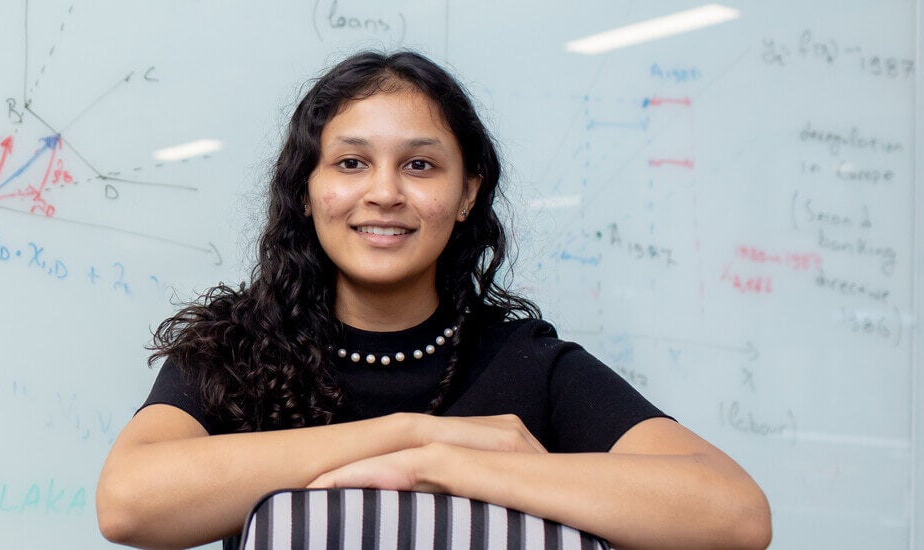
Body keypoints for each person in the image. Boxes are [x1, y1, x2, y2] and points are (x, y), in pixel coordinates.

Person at [95, 51, 771, 550]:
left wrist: (437, 466)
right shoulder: (237, 348)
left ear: (469, 191)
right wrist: (412, 433)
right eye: (352, 163)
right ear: (307, 189)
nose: (385, 192)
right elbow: (127, 503)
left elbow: (734, 516)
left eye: (419, 165)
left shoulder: (528, 365)